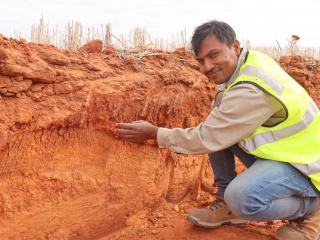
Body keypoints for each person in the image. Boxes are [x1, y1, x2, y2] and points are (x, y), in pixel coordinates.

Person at [116, 20, 320, 240]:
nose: (207, 67)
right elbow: (217, 126)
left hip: (306, 166)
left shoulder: (253, 86)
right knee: (219, 125)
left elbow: (208, 137)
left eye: (214, 55)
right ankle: (226, 204)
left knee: (242, 198)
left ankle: (312, 210)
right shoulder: (245, 64)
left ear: (235, 46)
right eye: (201, 60)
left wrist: (155, 133)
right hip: (285, 152)